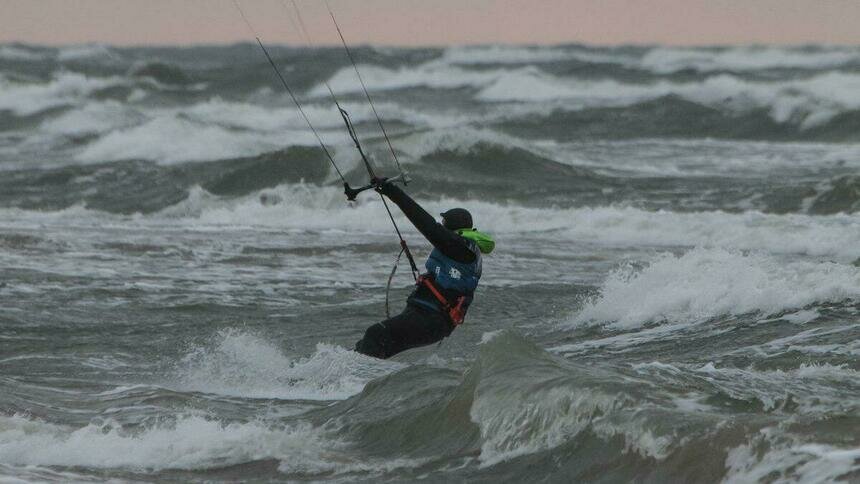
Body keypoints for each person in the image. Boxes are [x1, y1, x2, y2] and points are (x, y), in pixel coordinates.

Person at [354, 178, 495, 359]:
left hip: (432, 319)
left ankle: (353, 382)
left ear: (451, 228)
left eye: (444, 223)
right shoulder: (460, 248)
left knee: (375, 334)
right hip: (424, 316)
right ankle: (345, 382)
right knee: (370, 346)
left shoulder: (460, 247)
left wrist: (392, 192)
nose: (441, 225)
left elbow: (426, 224)